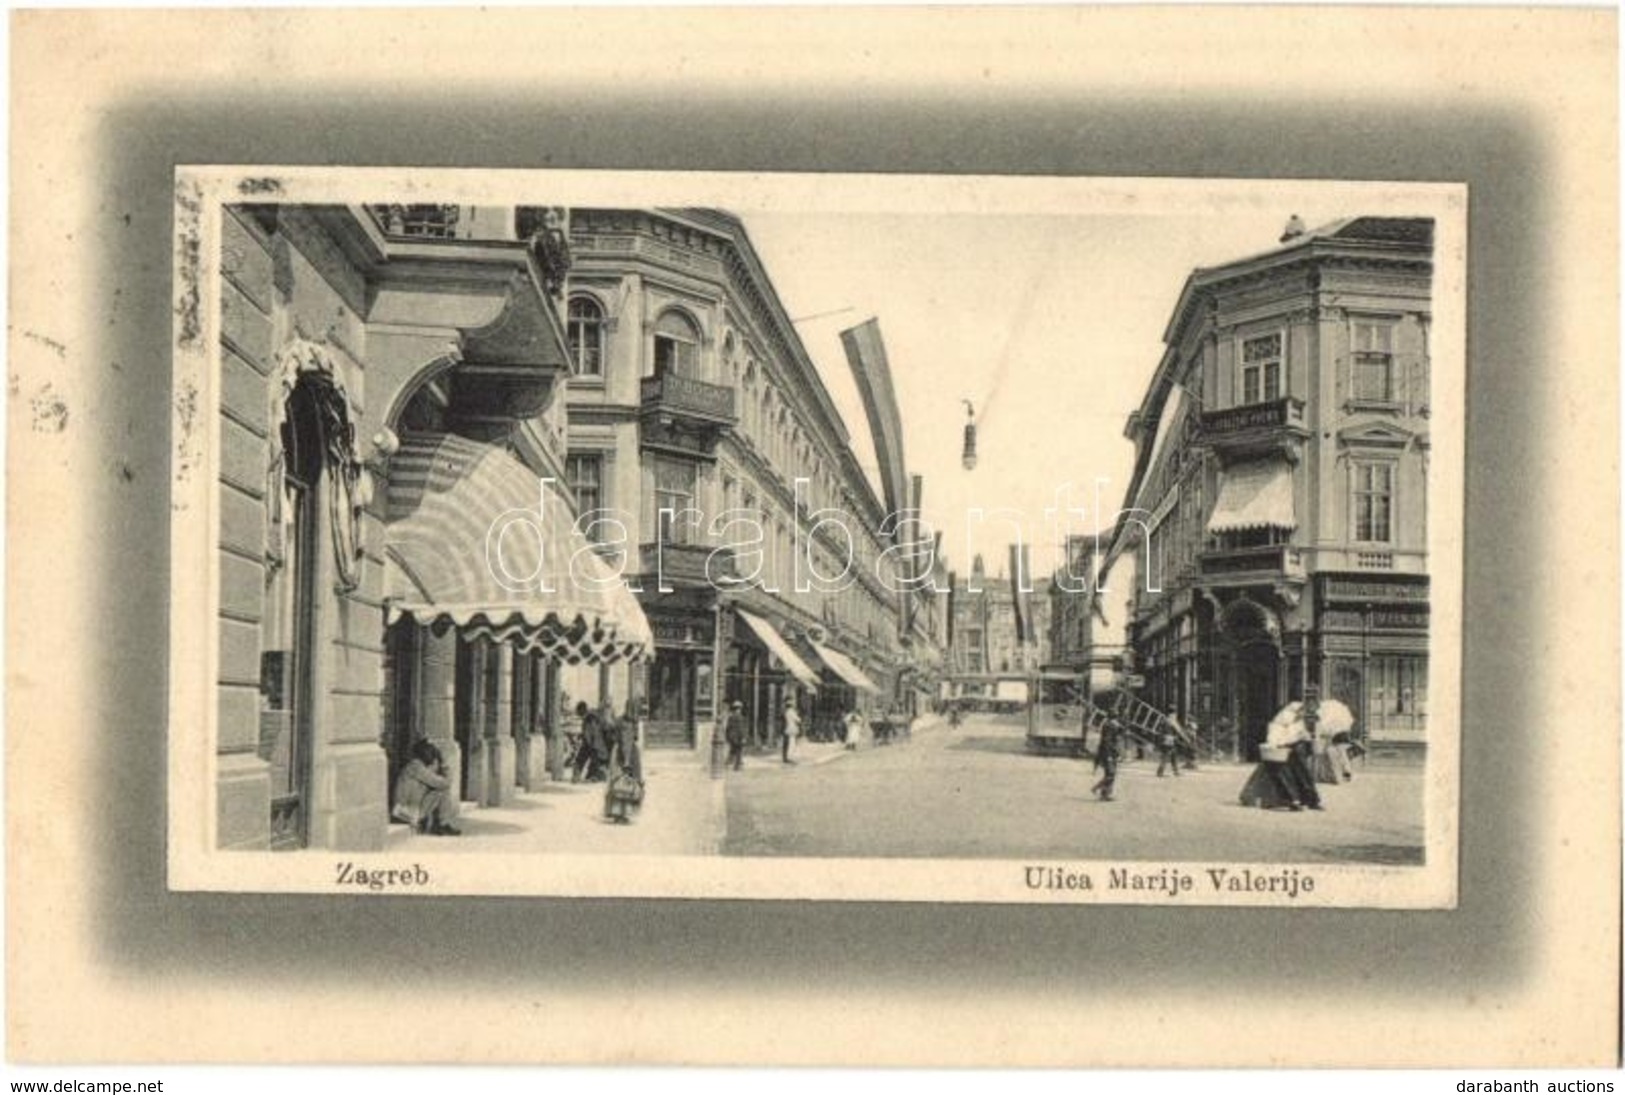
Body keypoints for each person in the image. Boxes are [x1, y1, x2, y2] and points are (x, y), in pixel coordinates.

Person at [391, 739, 461, 836]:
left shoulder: (415, 766)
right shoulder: (416, 767)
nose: (433, 757)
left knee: (439, 789)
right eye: (433, 753)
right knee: (441, 790)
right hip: (402, 811)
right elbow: (444, 783)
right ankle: (441, 824)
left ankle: (440, 824)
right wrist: (445, 766)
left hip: (405, 809)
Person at [602, 716, 644, 824]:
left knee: (619, 783)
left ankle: (617, 812)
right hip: (624, 758)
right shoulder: (628, 730)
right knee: (624, 783)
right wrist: (627, 762)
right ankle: (622, 813)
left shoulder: (622, 731)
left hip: (619, 756)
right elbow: (626, 746)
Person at [571, 701, 608, 784]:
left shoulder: (590, 718)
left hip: (593, 745)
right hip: (593, 744)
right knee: (587, 761)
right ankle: (590, 776)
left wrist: (588, 742)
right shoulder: (592, 716)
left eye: (579, 712)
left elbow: (592, 732)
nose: (578, 714)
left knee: (581, 759)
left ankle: (583, 777)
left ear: (582, 710)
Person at [1090, 721, 1120, 802]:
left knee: (1110, 774)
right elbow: (1107, 743)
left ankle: (1105, 794)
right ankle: (1096, 788)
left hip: (1110, 753)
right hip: (1108, 754)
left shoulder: (1109, 726)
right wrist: (1109, 756)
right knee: (1111, 774)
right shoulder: (1109, 727)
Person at [1156, 711, 1183, 778]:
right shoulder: (1167, 722)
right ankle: (1160, 772)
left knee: (1173, 757)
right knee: (1165, 757)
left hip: (1169, 742)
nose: (1175, 717)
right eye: (1174, 715)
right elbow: (1164, 733)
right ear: (1170, 715)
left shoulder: (1168, 722)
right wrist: (1173, 737)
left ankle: (1175, 771)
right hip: (1167, 742)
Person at [724, 699, 746, 771]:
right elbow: (741, 729)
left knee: (732, 751)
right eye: (739, 708)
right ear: (739, 709)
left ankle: (728, 763)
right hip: (738, 737)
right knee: (739, 751)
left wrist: (727, 737)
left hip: (732, 737)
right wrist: (743, 737)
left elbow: (728, 728)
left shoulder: (731, 717)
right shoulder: (740, 717)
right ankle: (737, 766)